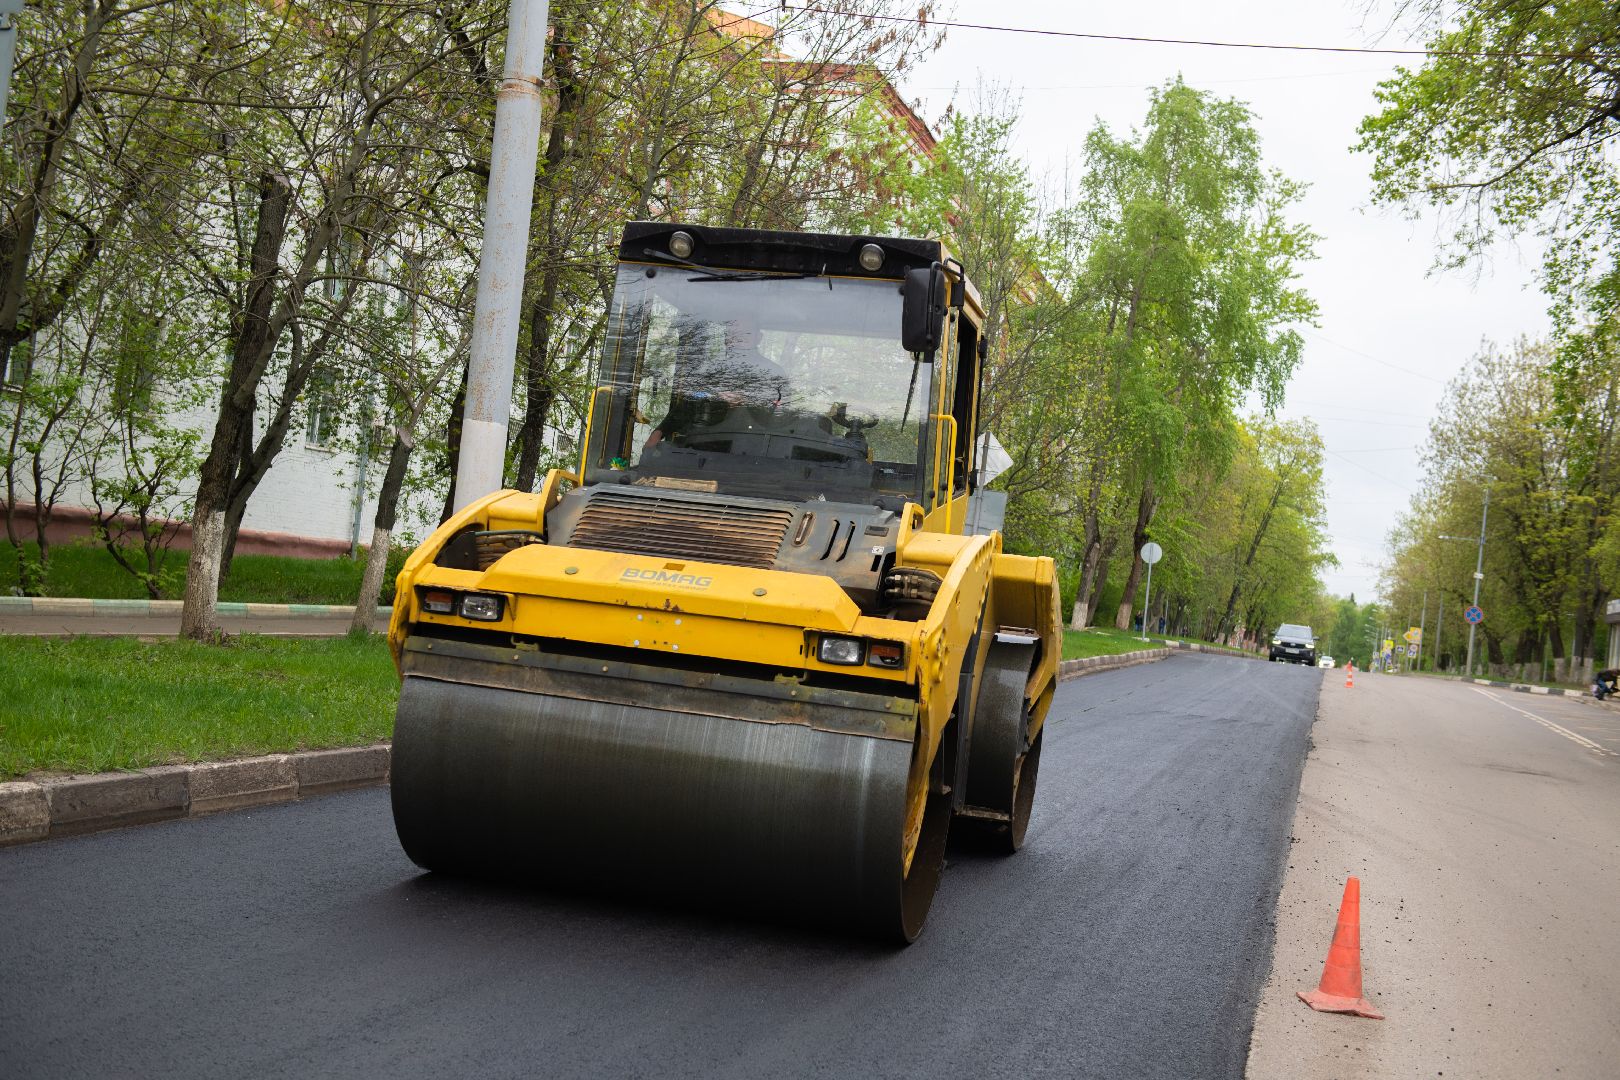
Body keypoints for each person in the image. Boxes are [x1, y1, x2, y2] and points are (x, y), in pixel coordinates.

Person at [645, 313, 788, 450]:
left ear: (759, 337)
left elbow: (782, 415)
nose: (738, 338)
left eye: (746, 333)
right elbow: (688, 404)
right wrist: (660, 431)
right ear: (726, 337)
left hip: (751, 451)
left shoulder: (774, 373)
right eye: (733, 333)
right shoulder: (711, 370)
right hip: (703, 447)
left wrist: (746, 401)